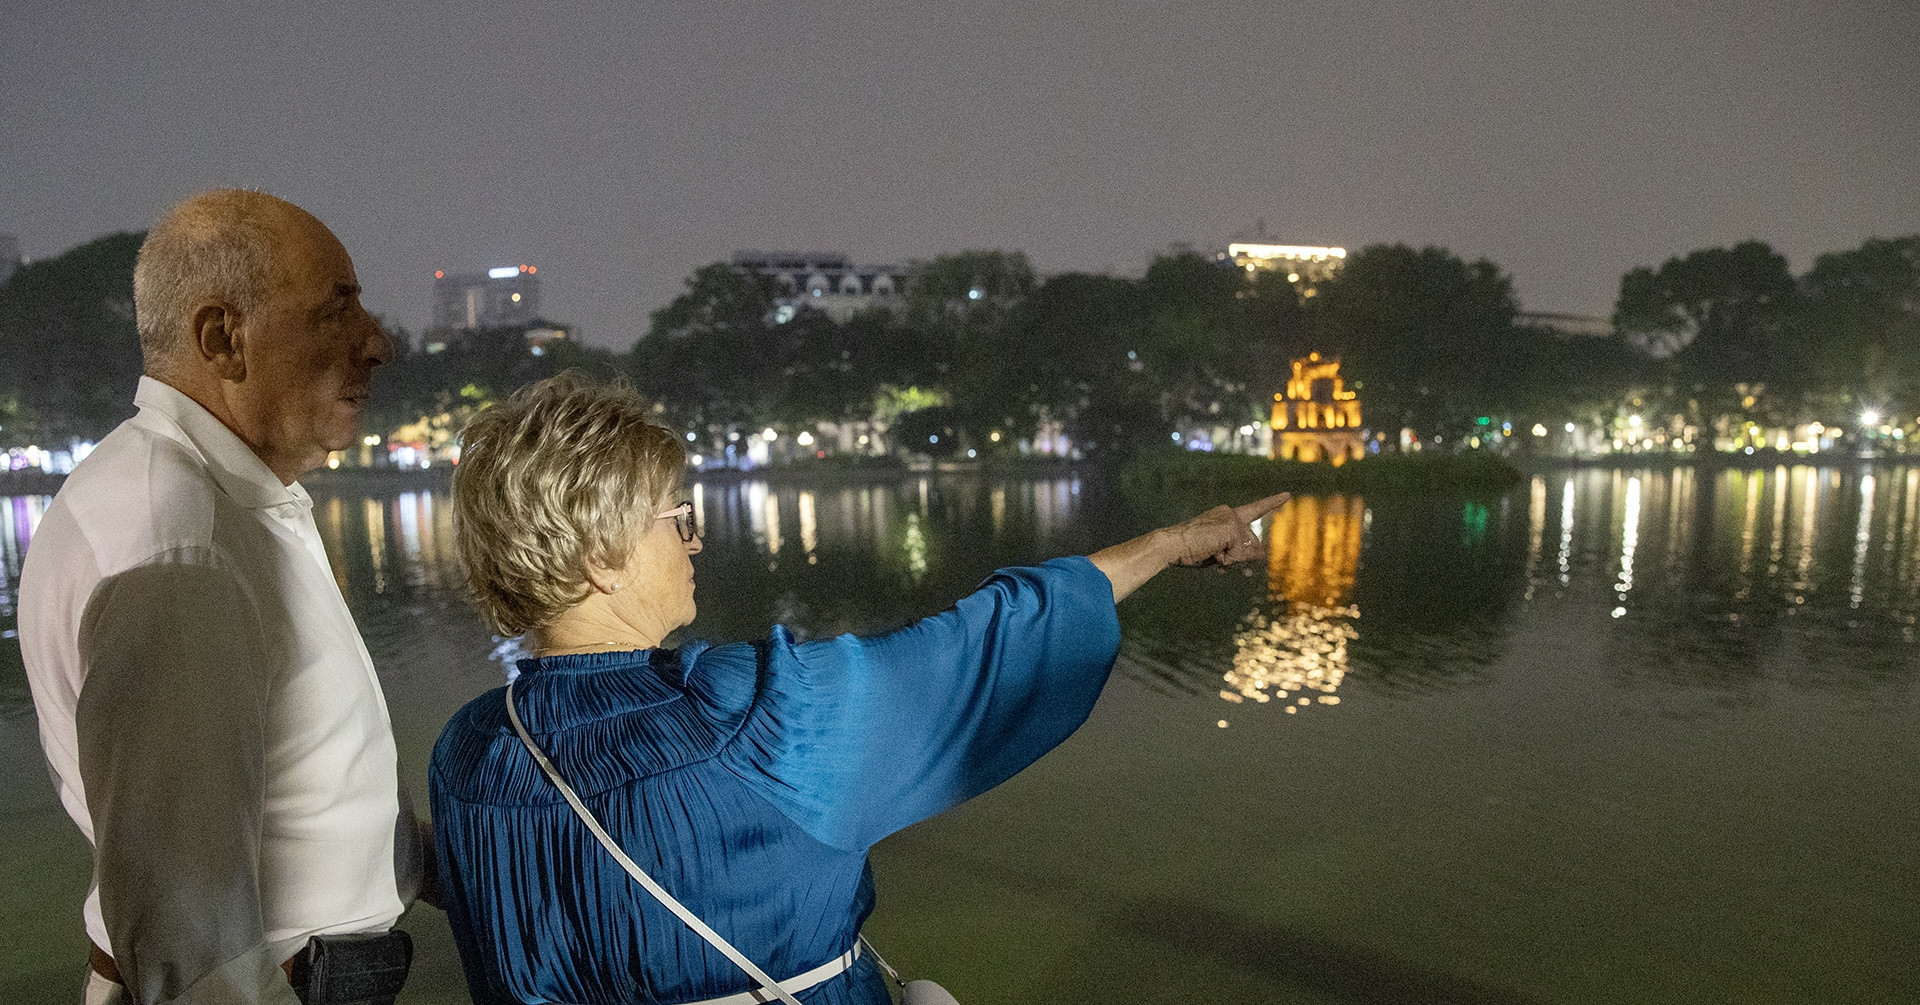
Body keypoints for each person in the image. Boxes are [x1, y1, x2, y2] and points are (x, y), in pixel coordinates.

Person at [430, 374, 1287, 1005]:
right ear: (599, 557)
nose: (694, 542)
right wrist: (1175, 541)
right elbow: (985, 644)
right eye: (678, 519)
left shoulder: (465, 755)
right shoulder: (752, 718)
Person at [19, 189, 427, 1005]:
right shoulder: (177, 544)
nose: (376, 341)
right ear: (222, 339)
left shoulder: (223, 498)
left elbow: (297, 780)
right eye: (335, 309)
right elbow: (189, 940)